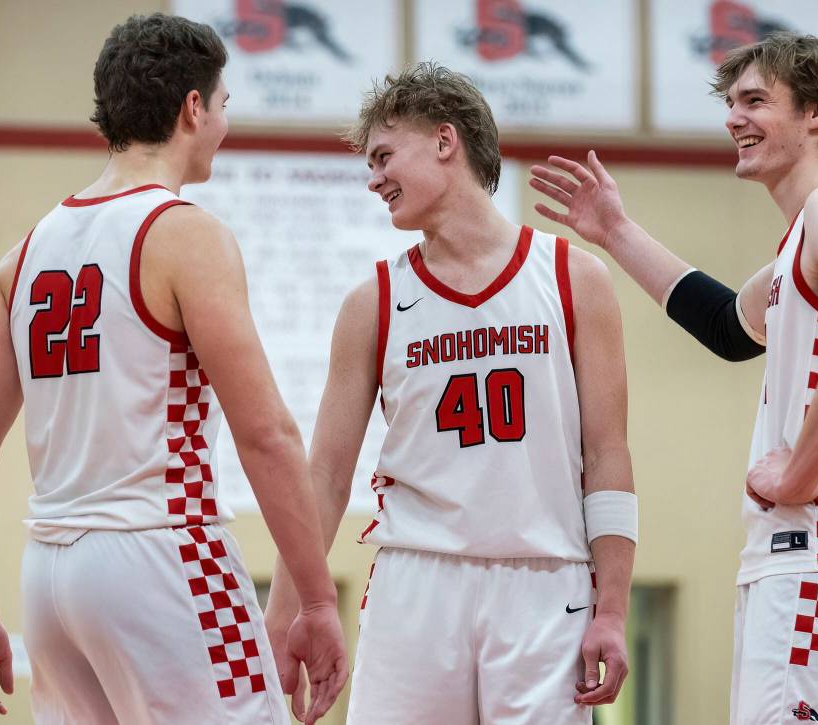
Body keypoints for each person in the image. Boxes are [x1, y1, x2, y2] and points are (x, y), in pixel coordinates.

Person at [0, 13, 346, 724]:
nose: (224, 123)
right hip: (161, 555)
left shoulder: (20, 258)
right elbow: (267, 435)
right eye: (223, 105)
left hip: (50, 577)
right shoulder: (184, 234)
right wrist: (315, 599)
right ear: (193, 107)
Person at [531, 32, 818, 724]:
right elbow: (727, 326)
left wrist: (798, 471)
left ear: (817, 112)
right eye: (731, 102)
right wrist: (616, 231)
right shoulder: (804, 237)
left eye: (755, 101)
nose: (734, 118)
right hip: (799, 555)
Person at [265, 62, 637, 724]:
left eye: (384, 156)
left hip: (546, 581)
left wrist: (612, 608)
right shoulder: (373, 301)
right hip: (419, 579)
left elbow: (608, 455)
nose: (372, 178)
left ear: (444, 140)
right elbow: (323, 476)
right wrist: (283, 613)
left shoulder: (574, 277)